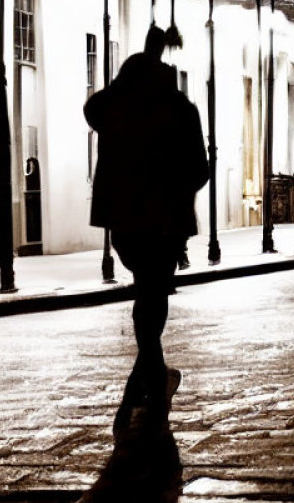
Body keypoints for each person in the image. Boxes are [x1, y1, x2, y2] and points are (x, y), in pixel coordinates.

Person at [85, 25, 208, 433]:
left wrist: (129, 75)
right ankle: (152, 377)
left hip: (125, 218)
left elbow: (94, 107)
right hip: (166, 221)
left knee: (146, 293)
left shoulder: (118, 108)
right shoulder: (180, 110)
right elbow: (200, 170)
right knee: (153, 297)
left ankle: (150, 376)